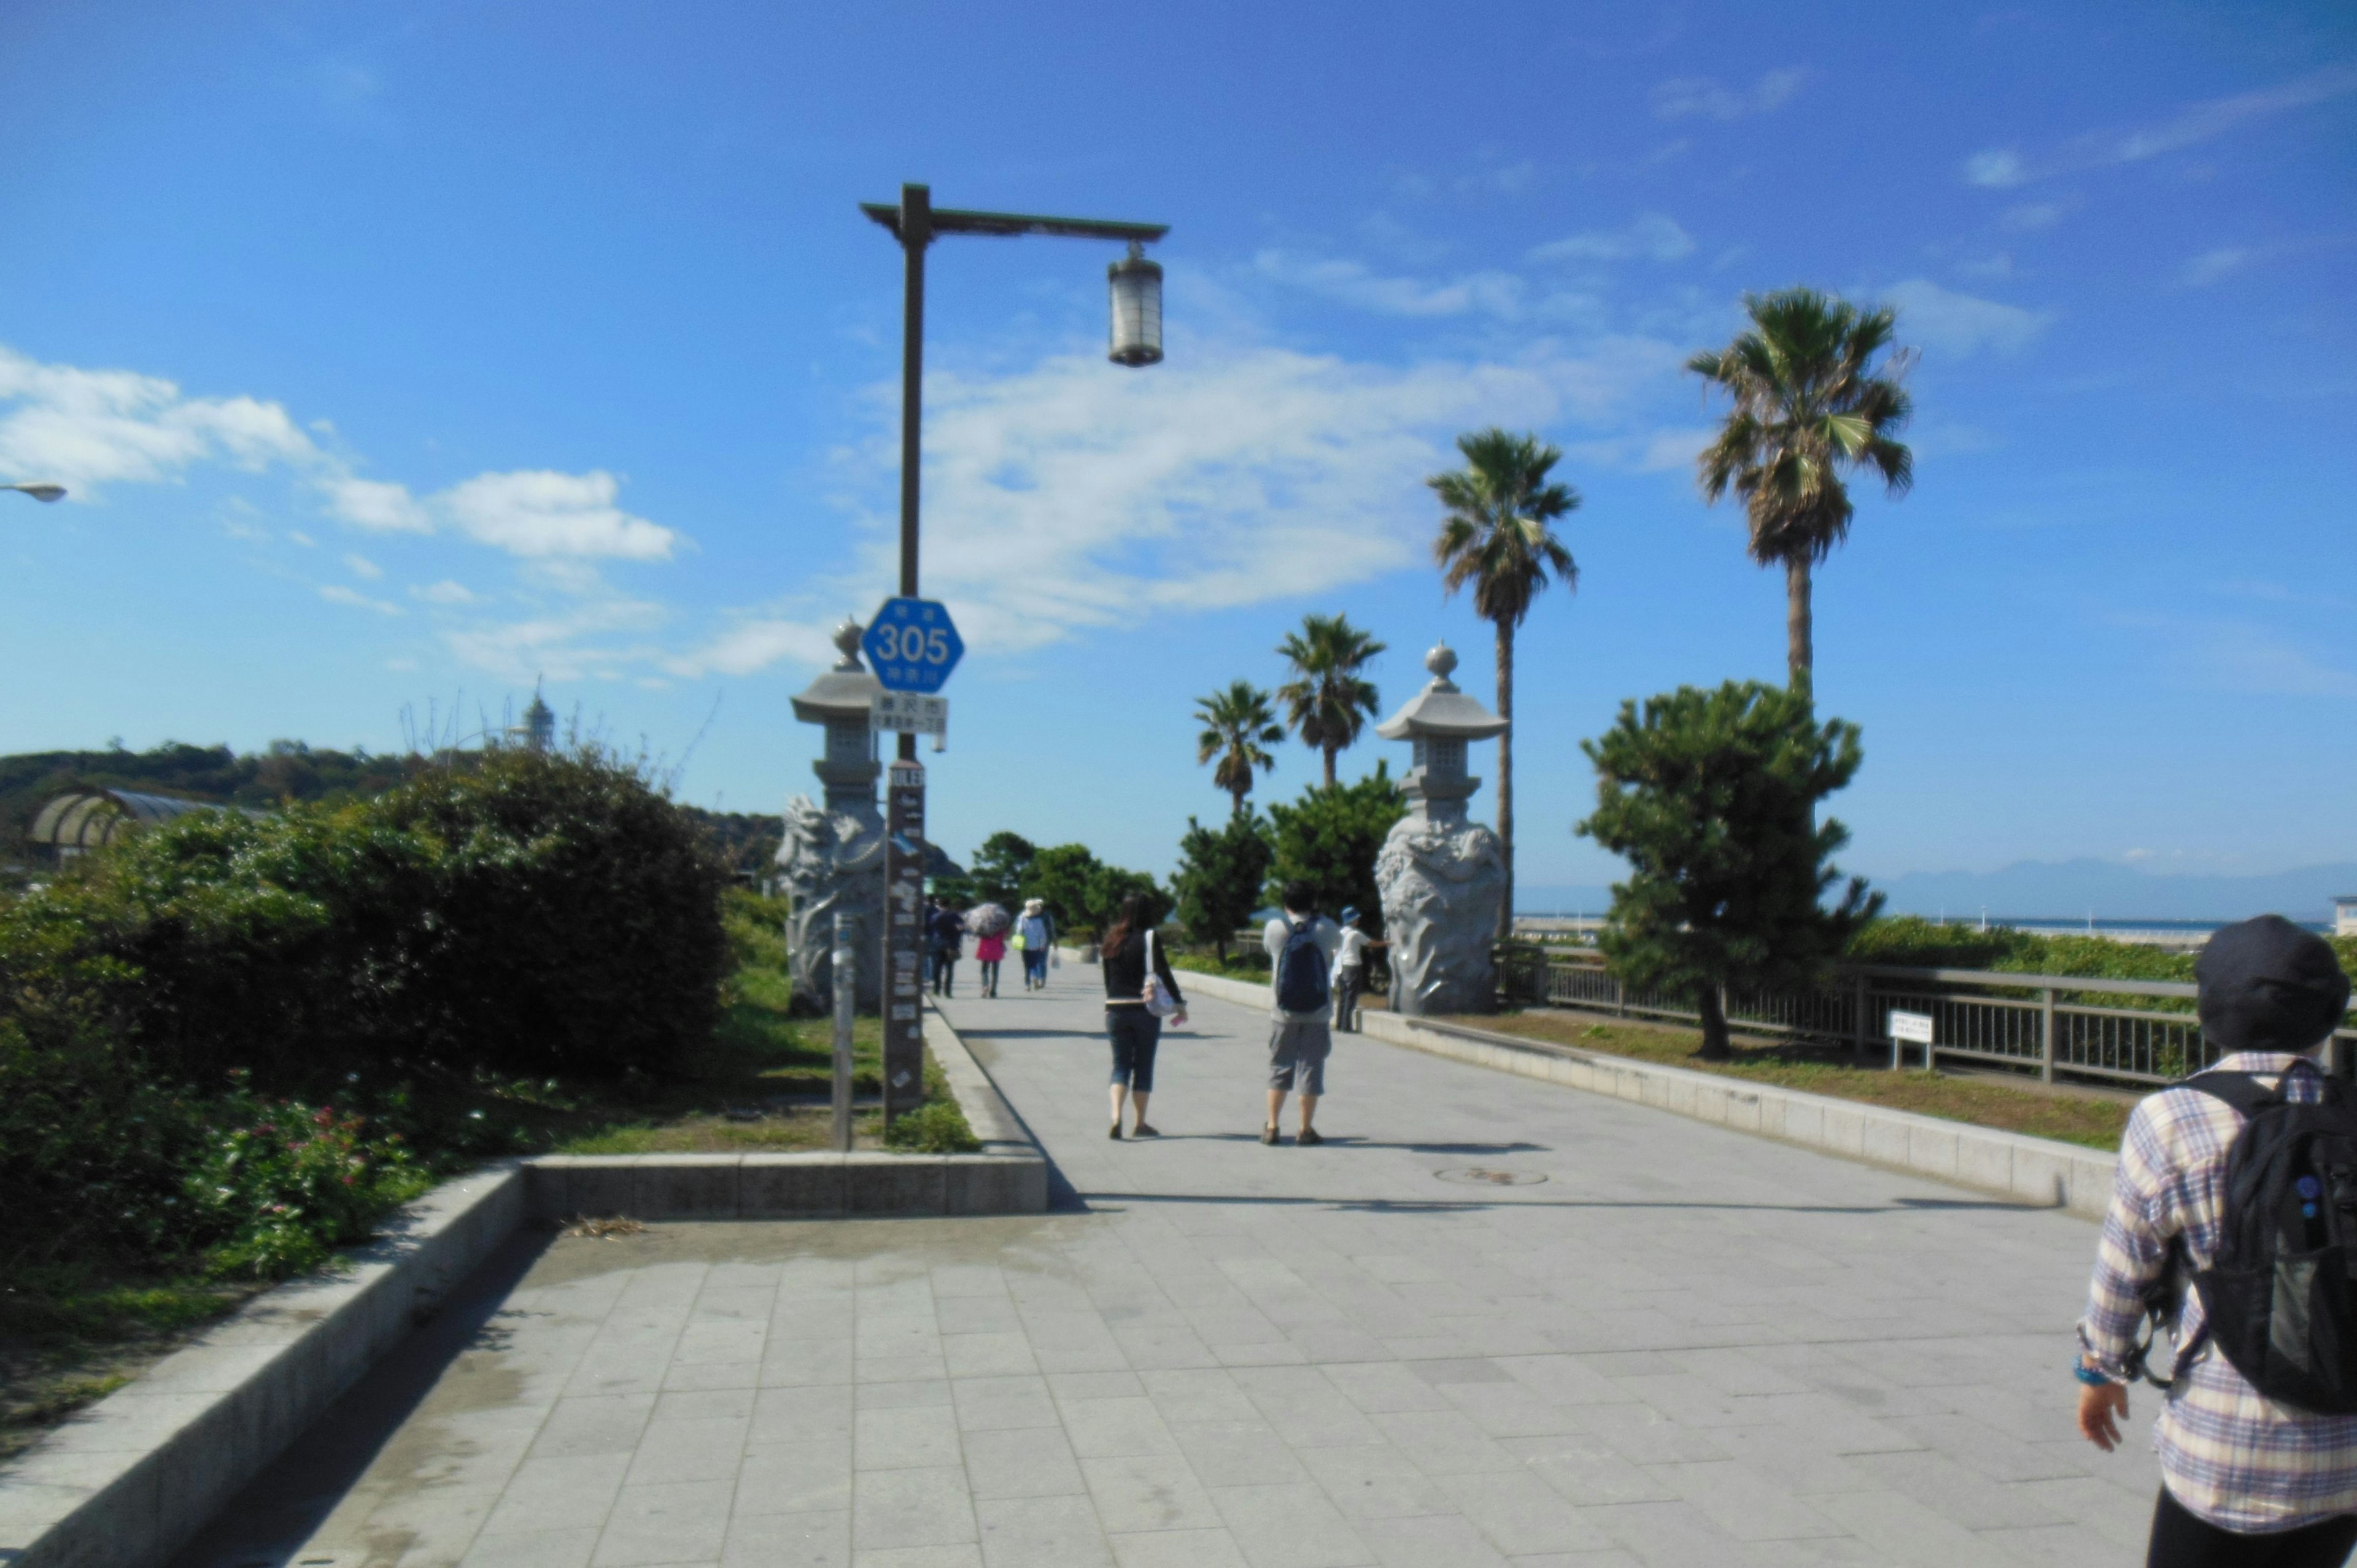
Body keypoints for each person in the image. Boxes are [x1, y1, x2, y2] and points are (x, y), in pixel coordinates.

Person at [2075, 914, 2357, 1567]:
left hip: (2227, 1446)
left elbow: (2125, 1267)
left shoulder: (2171, 1115)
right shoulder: (2347, 1110)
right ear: (2329, 1015)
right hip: (2347, 1452)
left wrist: (2100, 1369)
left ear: (2210, 1010)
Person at [1261, 881, 1341, 1146]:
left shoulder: (1275, 927)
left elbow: (1268, 950)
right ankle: (1305, 1129)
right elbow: (1337, 945)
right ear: (1313, 901)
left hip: (1282, 1012)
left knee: (1280, 1066)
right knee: (1311, 1068)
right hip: (1318, 1012)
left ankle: (1272, 1126)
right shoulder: (1326, 928)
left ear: (1285, 902)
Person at [1099, 893, 1185, 1139]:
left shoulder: (1112, 938)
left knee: (1120, 1066)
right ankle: (1140, 1123)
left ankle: (1116, 1116)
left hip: (1115, 1008)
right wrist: (1178, 1001)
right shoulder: (1149, 937)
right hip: (1145, 1010)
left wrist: (1110, 1000)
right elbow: (1163, 971)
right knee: (1143, 1066)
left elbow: (1107, 976)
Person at [1330, 906, 1385, 1033]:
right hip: (1353, 966)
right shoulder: (1355, 934)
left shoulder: (1340, 933)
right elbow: (1371, 943)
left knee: (1344, 996)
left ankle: (1340, 1024)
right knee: (1351, 996)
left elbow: (1334, 951)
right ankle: (1347, 1026)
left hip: (1341, 967)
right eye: (1357, 919)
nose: (1358, 921)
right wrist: (1386, 943)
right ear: (1353, 920)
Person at [1016, 898, 1056, 991]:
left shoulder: (1022, 918)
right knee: (1035, 964)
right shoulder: (1039, 921)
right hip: (1037, 946)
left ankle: (1027, 985)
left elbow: (1019, 931)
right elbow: (1043, 935)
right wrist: (1042, 944)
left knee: (1026, 965)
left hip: (1025, 945)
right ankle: (1035, 977)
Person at [928, 899, 964, 997]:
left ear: (939, 905)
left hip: (938, 944)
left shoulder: (935, 916)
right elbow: (961, 928)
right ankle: (948, 992)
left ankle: (936, 990)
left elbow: (930, 928)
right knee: (950, 969)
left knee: (937, 968)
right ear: (949, 905)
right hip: (952, 944)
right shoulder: (955, 916)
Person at [974, 925, 1007, 998]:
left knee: (984, 970)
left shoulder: (983, 928)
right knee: (995, 972)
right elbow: (1002, 939)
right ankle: (993, 991)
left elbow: (977, 934)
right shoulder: (1000, 929)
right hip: (996, 951)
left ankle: (985, 986)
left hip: (986, 951)